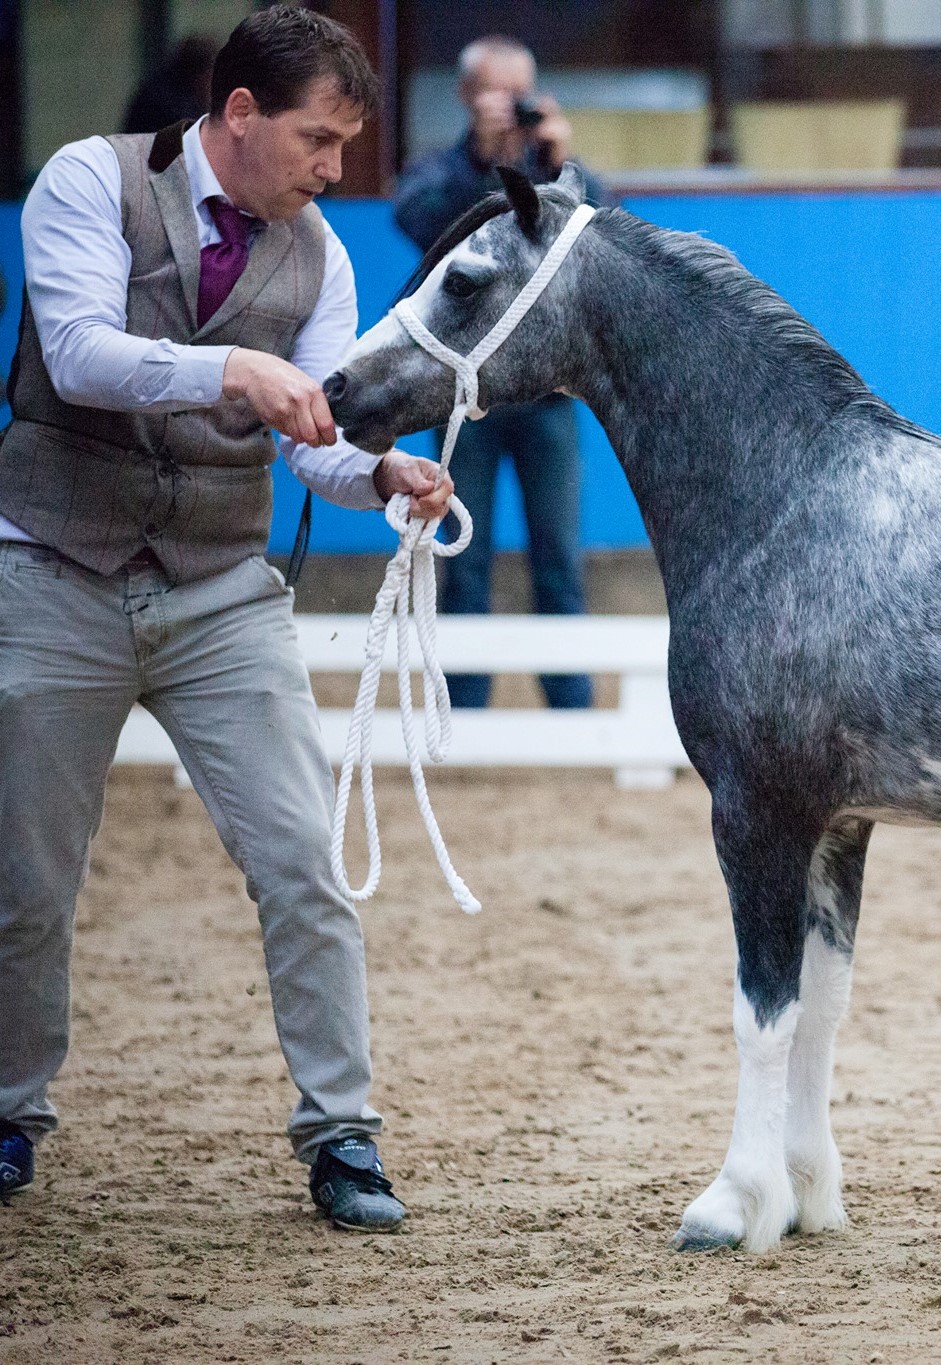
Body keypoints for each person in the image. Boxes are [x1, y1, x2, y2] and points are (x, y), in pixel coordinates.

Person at [0, 7, 451, 1231]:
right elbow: (83, 354)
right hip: (51, 570)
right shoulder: (89, 180)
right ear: (237, 114)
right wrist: (232, 373)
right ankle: (9, 1113)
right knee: (26, 881)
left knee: (305, 865)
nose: (333, 170)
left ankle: (342, 1135)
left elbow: (320, 445)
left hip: (217, 592)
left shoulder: (321, 253)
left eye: (344, 146)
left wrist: (384, 476)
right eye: (318, 139)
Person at [393, 35, 610, 710]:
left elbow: (605, 233)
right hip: (466, 399)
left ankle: (572, 706)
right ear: (466, 96)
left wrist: (562, 162)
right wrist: (483, 162)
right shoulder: (443, 172)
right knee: (463, 555)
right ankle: (463, 707)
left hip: (545, 397)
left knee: (559, 557)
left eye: (522, 92)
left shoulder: (557, 173)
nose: (512, 106)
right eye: (497, 91)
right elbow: (417, 217)